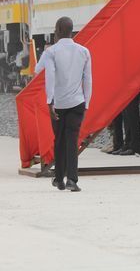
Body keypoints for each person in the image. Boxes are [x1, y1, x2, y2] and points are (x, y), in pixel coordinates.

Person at [43, 16, 92, 192]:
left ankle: (59, 179)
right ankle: (72, 180)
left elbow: (49, 79)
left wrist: (50, 103)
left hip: (59, 104)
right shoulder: (84, 51)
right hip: (77, 102)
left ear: (57, 30)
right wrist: (86, 102)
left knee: (60, 140)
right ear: (71, 30)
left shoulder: (51, 52)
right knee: (72, 140)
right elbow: (88, 80)